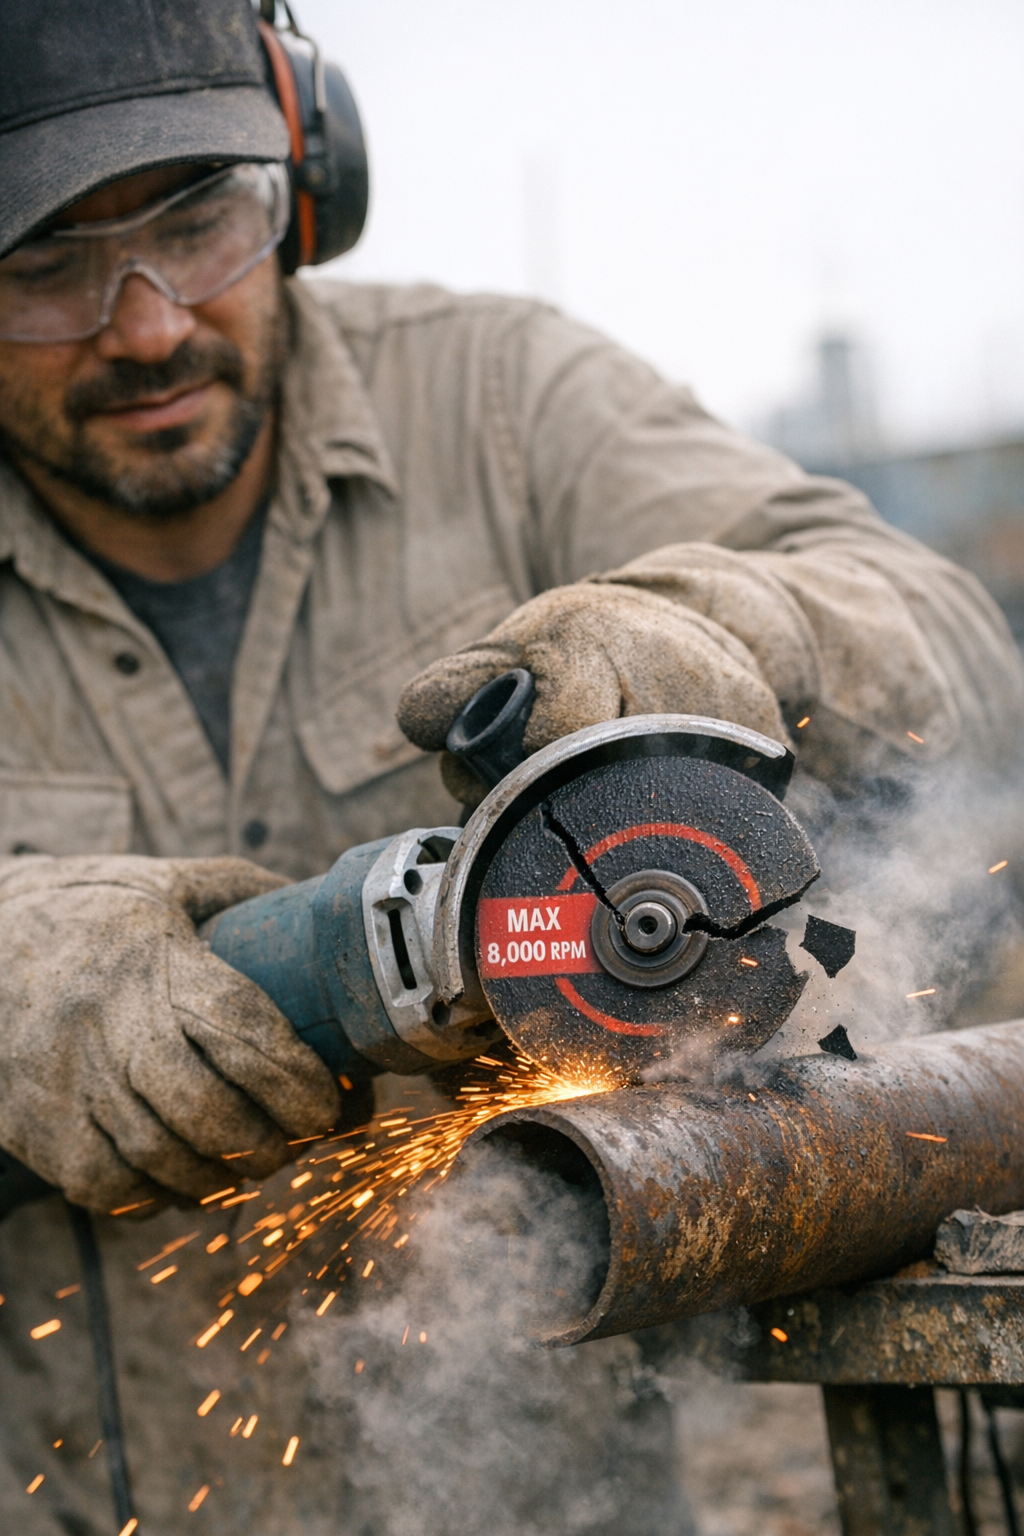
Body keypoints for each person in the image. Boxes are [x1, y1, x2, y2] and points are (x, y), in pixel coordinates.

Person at [0, 1, 1021, 1532]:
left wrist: (737, 627)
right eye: (47, 266)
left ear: (305, 173)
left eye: (197, 219)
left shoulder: (501, 400)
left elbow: (960, 648)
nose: (146, 323)